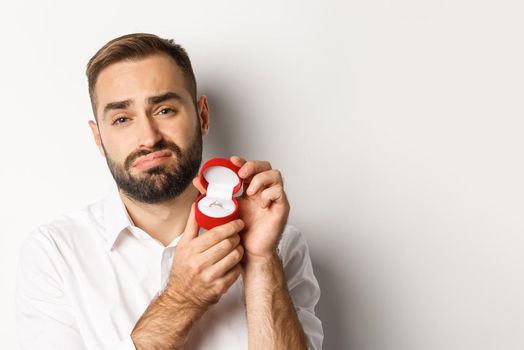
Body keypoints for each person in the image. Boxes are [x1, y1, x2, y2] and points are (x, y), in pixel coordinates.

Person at [15, 33, 323, 350]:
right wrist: (182, 299)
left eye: (164, 110)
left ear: (202, 117)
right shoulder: (55, 253)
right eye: (122, 118)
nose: (148, 137)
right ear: (98, 138)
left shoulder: (279, 243)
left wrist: (261, 261)